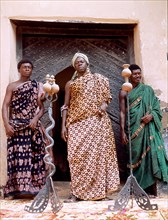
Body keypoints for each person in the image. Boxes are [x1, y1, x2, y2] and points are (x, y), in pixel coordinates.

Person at [61, 52, 120, 202]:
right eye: (76, 62)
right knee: (75, 157)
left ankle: (100, 193)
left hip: (96, 122)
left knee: (98, 157)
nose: (79, 63)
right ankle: (76, 193)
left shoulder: (99, 79)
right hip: (76, 124)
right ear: (74, 66)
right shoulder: (70, 84)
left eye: (81, 61)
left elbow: (107, 99)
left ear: (87, 63)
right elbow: (65, 106)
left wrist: (103, 106)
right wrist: (63, 126)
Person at [119, 64, 168, 197]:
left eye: (139, 73)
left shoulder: (147, 90)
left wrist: (151, 116)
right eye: (135, 74)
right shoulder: (124, 92)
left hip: (147, 128)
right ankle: (136, 188)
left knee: (149, 156)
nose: (138, 76)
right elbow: (122, 112)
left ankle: (150, 189)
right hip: (132, 128)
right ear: (129, 75)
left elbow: (156, 107)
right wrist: (122, 131)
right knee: (134, 155)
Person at [2, 59, 47, 199]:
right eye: (24, 67)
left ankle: (34, 190)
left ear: (32, 70)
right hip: (16, 127)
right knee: (16, 158)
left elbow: (42, 108)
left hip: (32, 127)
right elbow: (5, 106)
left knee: (35, 157)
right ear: (19, 69)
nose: (27, 69)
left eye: (29, 67)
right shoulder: (12, 86)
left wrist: (35, 119)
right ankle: (14, 190)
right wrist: (6, 125)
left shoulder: (37, 85)